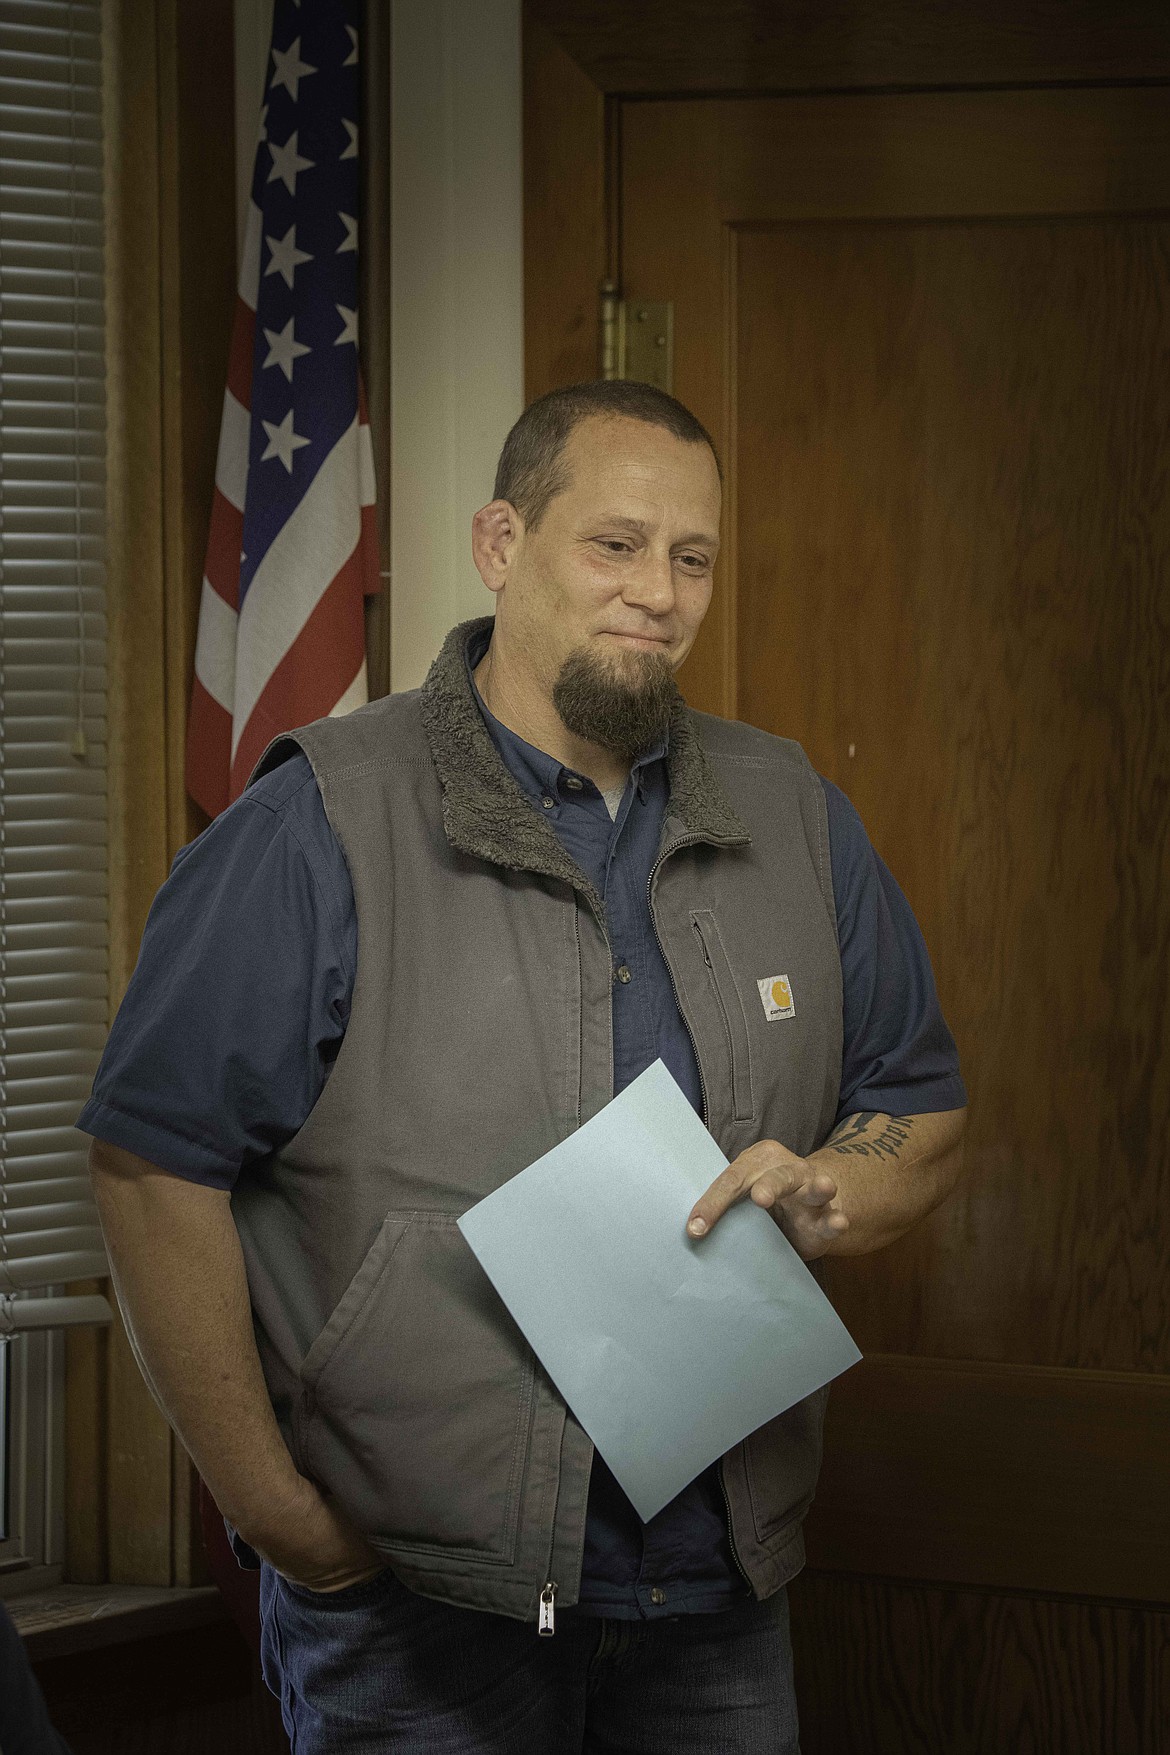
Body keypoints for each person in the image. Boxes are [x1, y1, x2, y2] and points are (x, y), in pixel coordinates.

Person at [79, 380, 967, 1754]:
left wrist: (831, 1193)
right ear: (501, 544)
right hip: (413, 1605)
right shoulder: (318, 818)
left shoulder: (796, 814)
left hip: (715, 1588)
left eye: (691, 557)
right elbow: (150, 1170)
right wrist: (282, 1522)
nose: (657, 595)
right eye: (612, 545)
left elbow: (916, 1111)